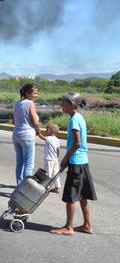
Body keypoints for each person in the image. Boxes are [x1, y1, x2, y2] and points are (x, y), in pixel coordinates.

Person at [51, 93, 97, 236]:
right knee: (82, 195)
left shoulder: (74, 120)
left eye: (63, 103)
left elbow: (77, 143)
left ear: (71, 103)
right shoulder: (79, 117)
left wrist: (65, 158)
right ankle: (87, 225)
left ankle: (68, 227)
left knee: (70, 197)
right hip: (83, 161)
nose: (61, 105)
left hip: (76, 162)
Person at [12, 84, 43, 185]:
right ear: (27, 94)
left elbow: (14, 121)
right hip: (27, 136)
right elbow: (35, 121)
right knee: (29, 164)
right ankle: (25, 188)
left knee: (20, 163)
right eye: (34, 93)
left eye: (37, 93)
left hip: (16, 135)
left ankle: (19, 185)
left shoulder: (18, 104)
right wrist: (38, 131)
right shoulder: (30, 103)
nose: (36, 95)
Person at [43, 123, 61, 193]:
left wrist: (38, 132)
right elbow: (58, 149)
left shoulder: (48, 138)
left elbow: (42, 137)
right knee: (56, 173)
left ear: (51, 131)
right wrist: (57, 157)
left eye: (47, 130)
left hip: (48, 160)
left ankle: (46, 187)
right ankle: (57, 187)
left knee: (48, 174)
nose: (45, 131)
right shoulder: (56, 139)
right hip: (55, 159)